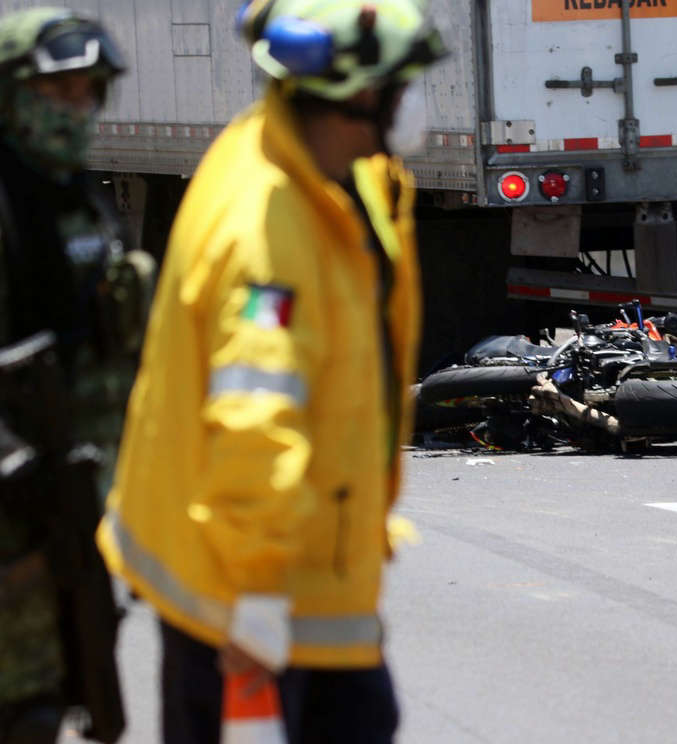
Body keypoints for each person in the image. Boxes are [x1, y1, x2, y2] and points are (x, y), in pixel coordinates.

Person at [96, 1, 446, 741]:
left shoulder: (320, 168)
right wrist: (253, 601)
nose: (416, 99)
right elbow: (255, 413)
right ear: (355, 95)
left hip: (302, 569)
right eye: (403, 82)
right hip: (249, 589)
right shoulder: (268, 233)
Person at [0, 7, 141, 743]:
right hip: (14, 511)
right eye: (59, 92)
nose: (76, 110)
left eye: (90, 92)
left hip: (69, 511)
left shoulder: (80, 201)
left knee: (62, 690)